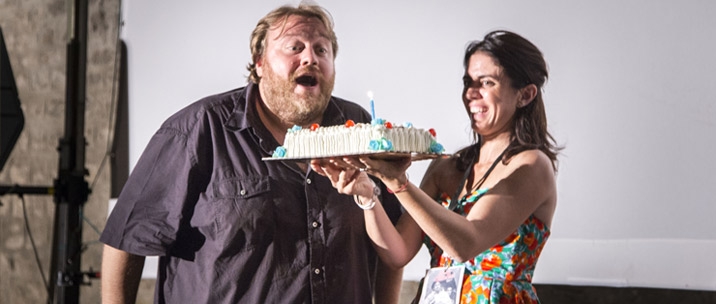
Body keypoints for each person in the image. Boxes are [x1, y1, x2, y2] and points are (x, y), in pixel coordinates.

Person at [99, 3, 404, 304]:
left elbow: (392, 243)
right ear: (260, 63)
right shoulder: (200, 128)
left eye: (322, 50)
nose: (310, 57)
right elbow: (127, 239)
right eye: (294, 47)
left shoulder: (359, 130)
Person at [311, 30, 560, 303]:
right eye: (469, 82)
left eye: (487, 82)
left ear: (525, 95)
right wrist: (367, 196)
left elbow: (465, 244)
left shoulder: (532, 166)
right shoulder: (447, 167)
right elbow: (397, 252)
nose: (472, 93)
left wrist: (399, 183)